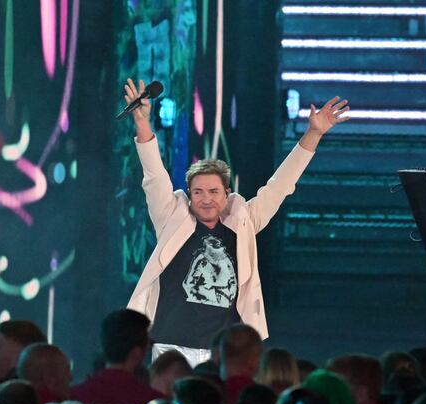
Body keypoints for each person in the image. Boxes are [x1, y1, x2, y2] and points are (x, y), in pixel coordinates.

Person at [122, 78, 349, 365]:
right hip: (171, 347)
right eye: (198, 192)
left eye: (214, 192)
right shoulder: (171, 216)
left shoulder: (243, 222)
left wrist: (313, 134)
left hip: (223, 352)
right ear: (189, 195)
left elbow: (281, 185)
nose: (206, 199)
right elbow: (154, 175)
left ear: (226, 193)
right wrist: (142, 123)